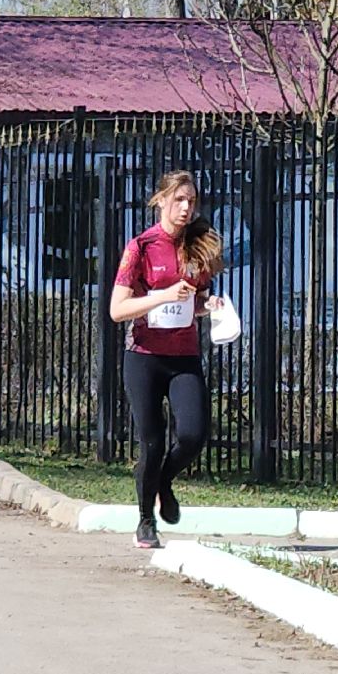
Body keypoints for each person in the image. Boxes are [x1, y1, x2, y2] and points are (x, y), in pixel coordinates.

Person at [109, 170, 225, 549]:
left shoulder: (199, 245)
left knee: (192, 433)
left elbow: (194, 302)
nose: (186, 208)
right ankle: (146, 521)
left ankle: (163, 481)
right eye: (178, 199)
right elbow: (117, 309)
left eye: (191, 200)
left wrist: (210, 305)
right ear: (160, 200)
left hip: (183, 357)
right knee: (153, 442)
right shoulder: (141, 247)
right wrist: (162, 295)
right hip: (143, 357)